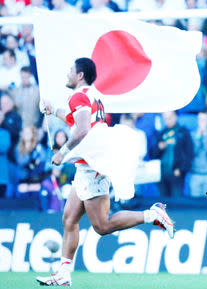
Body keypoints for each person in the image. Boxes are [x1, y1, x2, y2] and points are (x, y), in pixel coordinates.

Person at [36, 58, 175, 286]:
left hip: (92, 166)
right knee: (69, 218)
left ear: (80, 75)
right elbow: (77, 120)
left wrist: (62, 152)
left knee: (102, 226)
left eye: (71, 70)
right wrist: (54, 111)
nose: (68, 73)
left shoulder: (79, 96)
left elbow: (81, 129)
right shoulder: (92, 95)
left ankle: (153, 215)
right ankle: (63, 273)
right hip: (87, 165)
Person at [150, 111, 194, 198]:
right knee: (163, 202)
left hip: (176, 173)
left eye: (169, 118)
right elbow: (153, 154)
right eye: (165, 119)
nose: (167, 121)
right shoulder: (161, 133)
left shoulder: (183, 132)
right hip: (162, 174)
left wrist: (181, 169)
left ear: (175, 116)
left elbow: (189, 153)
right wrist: (159, 148)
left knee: (176, 202)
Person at [189, 111, 207, 197]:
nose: (201, 122)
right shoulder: (193, 134)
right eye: (200, 119)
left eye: (204, 120)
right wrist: (198, 136)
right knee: (194, 204)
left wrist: (205, 136)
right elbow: (193, 152)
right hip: (195, 174)